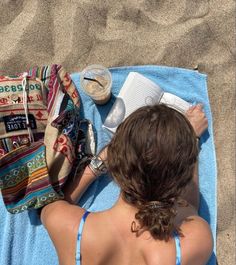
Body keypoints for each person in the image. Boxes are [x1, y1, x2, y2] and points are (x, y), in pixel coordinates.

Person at [40, 104, 213, 265]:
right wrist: (192, 137)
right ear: (181, 182)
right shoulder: (195, 242)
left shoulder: (66, 225)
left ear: (114, 163)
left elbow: (58, 203)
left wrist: (98, 164)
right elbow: (190, 206)